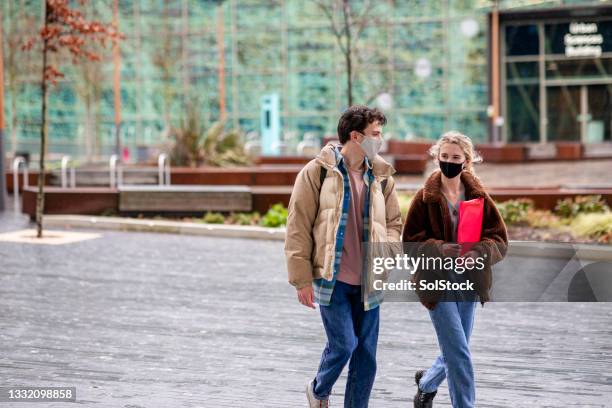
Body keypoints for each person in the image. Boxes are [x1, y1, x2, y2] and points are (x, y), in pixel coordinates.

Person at [284, 105, 403, 407]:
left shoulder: (382, 176)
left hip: (369, 280)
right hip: (331, 278)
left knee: (366, 356)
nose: (381, 139)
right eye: (375, 134)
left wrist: (386, 251)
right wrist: (300, 280)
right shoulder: (317, 172)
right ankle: (319, 389)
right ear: (355, 135)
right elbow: (298, 226)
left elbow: (394, 224)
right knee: (344, 345)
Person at [402, 131, 508, 408]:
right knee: (458, 352)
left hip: (470, 282)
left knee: (456, 349)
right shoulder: (425, 198)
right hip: (437, 282)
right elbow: (409, 242)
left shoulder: (478, 196)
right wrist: (438, 248)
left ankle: (426, 384)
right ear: (437, 157)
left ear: (467, 161)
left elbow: (499, 239)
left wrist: (479, 253)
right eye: (444, 156)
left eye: (455, 157)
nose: (449, 161)